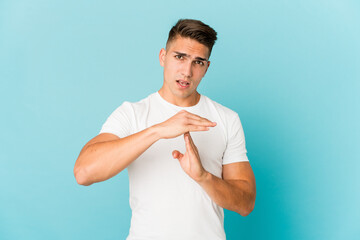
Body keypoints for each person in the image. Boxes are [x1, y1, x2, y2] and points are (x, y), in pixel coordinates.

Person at [74, 19, 256, 240]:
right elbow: (84, 173)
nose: (187, 71)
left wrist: (203, 177)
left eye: (198, 62)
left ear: (206, 67)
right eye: (180, 57)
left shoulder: (226, 119)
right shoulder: (132, 113)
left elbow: (245, 203)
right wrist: (158, 130)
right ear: (163, 57)